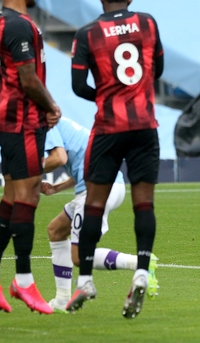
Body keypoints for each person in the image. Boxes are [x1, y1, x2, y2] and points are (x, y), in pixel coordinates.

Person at [66, 0, 164, 319]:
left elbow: (78, 85)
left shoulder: (87, 33)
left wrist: (106, 97)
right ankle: (140, 269)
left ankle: (87, 280)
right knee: (144, 203)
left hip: (108, 129)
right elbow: (158, 69)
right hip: (144, 126)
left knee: (93, 203)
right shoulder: (148, 24)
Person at [0, 0, 61, 315]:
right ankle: (23, 281)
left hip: (11, 119)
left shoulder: (5, 22)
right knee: (29, 195)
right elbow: (27, 79)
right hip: (21, 121)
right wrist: (51, 106)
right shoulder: (18, 25)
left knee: (12, 196)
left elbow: (1, 66)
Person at [41, 117, 159, 313]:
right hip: (105, 184)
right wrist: (56, 188)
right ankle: (62, 299)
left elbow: (59, 158)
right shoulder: (64, 125)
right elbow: (83, 164)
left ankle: (140, 263)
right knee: (56, 230)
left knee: (79, 257)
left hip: (97, 189)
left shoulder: (47, 123)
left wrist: (24, 169)